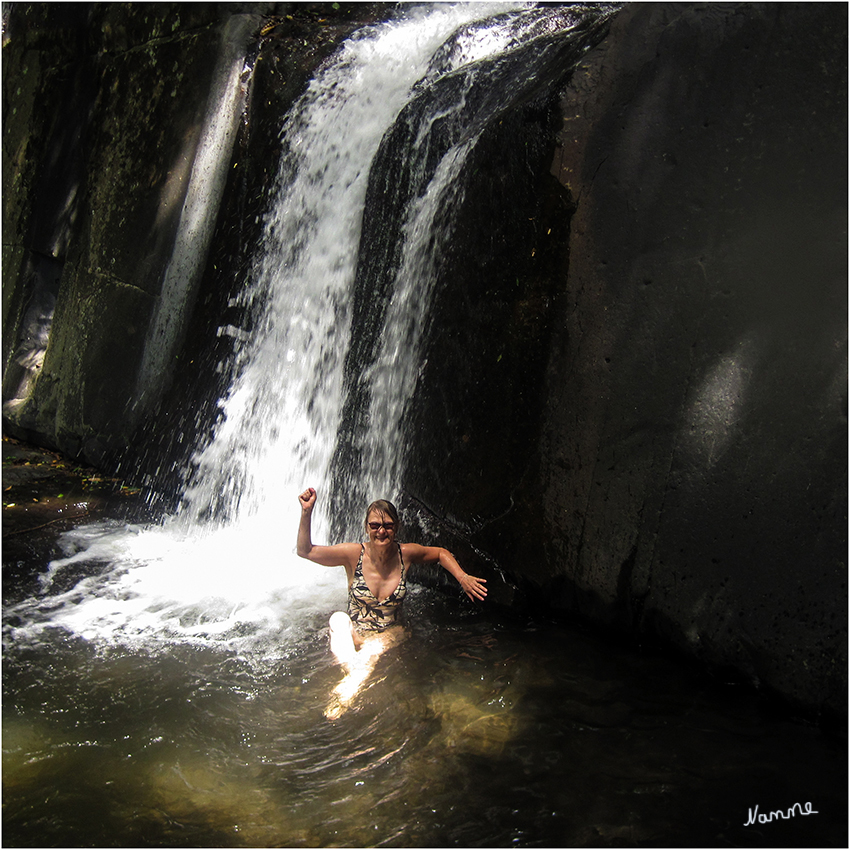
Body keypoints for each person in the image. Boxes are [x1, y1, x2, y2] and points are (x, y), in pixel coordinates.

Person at [297, 486, 487, 665]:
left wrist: (462, 577)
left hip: (391, 635)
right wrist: (307, 511)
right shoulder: (353, 554)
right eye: (375, 525)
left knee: (379, 645)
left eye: (387, 525)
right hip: (356, 634)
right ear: (366, 527)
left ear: (396, 527)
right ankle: (352, 681)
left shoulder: (405, 554)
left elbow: (440, 553)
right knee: (338, 619)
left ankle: (349, 683)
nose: (381, 531)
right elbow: (305, 551)